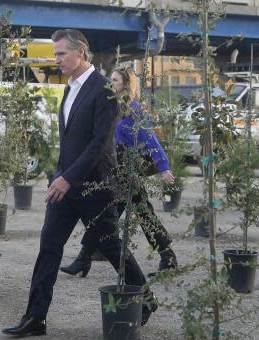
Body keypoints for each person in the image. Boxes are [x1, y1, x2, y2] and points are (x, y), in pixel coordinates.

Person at [2, 30, 155, 338]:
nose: (55, 59)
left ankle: (146, 299)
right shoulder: (69, 88)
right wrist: (59, 173)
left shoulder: (103, 89)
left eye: (61, 54)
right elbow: (71, 140)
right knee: (48, 248)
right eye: (55, 54)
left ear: (82, 52)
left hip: (93, 186)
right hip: (66, 184)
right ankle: (35, 318)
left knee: (112, 246)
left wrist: (68, 178)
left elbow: (99, 143)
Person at [59, 66, 178, 278]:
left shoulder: (133, 109)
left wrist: (163, 166)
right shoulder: (110, 104)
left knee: (136, 214)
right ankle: (85, 258)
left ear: (126, 84)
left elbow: (149, 139)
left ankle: (167, 257)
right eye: (110, 79)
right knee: (110, 215)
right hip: (112, 167)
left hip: (127, 170)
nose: (110, 83)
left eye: (114, 80)